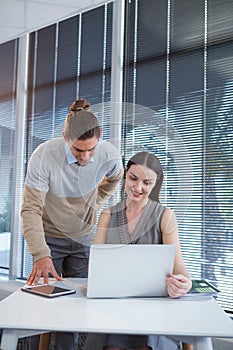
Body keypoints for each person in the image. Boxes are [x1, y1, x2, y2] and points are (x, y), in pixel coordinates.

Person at [21, 98, 123, 350]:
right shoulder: (44, 155)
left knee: (75, 309)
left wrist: (95, 202)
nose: (86, 157)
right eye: (79, 150)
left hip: (82, 240)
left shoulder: (109, 154)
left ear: (99, 136)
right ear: (66, 137)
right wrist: (40, 254)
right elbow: (30, 209)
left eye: (91, 149)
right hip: (49, 240)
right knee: (40, 309)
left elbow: (115, 177)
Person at [84, 151, 192, 350]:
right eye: (133, 178)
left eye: (147, 182)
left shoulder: (166, 216)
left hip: (154, 305)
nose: (138, 188)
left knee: (147, 343)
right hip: (114, 304)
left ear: (155, 183)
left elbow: (178, 265)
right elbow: (95, 265)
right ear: (126, 174)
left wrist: (185, 282)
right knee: (112, 344)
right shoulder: (107, 216)